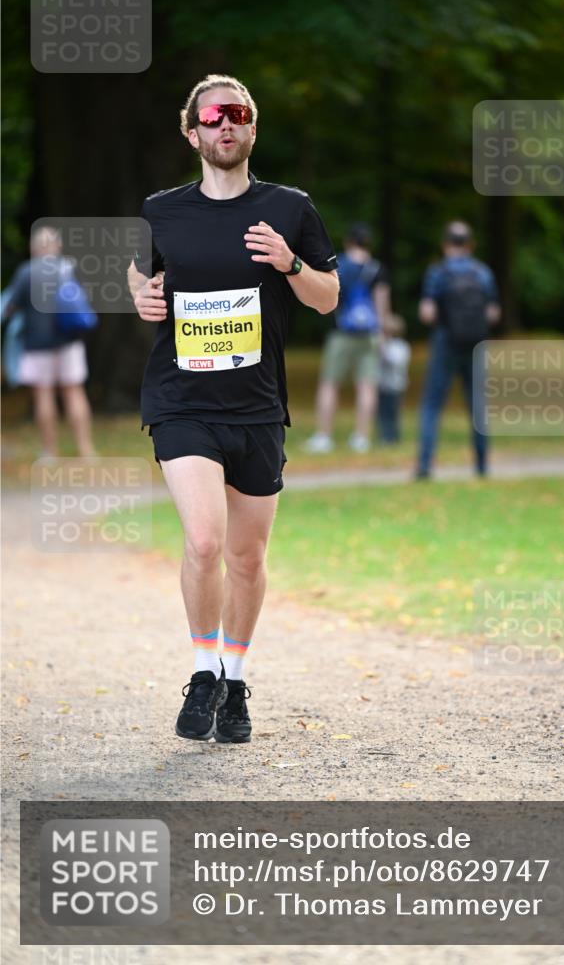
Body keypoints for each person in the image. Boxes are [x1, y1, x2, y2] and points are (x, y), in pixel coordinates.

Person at [127, 74, 338, 745]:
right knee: (206, 541)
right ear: (191, 132)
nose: (225, 125)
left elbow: (328, 297)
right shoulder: (160, 211)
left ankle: (235, 678)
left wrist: (288, 264)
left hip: (256, 408)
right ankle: (200, 671)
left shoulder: (290, 208)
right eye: (212, 116)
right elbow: (139, 276)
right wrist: (142, 297)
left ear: (251, 129)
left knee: (246, 557)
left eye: (237, 115)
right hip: (181, 399)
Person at [1, 226, 96, 459]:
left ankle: (50, 452)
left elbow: (11, 308)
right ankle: (86, 450)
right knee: (74, 392)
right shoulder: (69, 268)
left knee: (44, 395)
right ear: (57, 246)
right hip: (69, 341)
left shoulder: (26, 272)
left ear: (33, 248)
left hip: (36, 343)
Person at [415, 221, 500, 479]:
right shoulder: (482, 273)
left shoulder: (438, 273)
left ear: (445, 245)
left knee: (432, 404)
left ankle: (425, 466)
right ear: (470, 245)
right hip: (475, 344)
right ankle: (482, 465)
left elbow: (427, 313)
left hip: (445, 342)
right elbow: (493, 313)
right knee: (477, 405)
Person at [303, 222, 390, 454]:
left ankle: (324, 436)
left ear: (349, 241)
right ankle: (361, 437)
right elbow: (381, 306)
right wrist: (382, 334)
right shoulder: (377, 268)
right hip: (369, 335)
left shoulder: (338, 264)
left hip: (340, 333)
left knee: (330, 384)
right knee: (366, 386)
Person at [376, 313, 411, 444]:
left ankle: (392, 437)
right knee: (382, 413)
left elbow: (394, 361)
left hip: (395, 386)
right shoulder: (388, 345)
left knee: (392, 413)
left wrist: (383, 349)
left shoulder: (401, 346)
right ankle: (384, 436)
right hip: (383, 385)